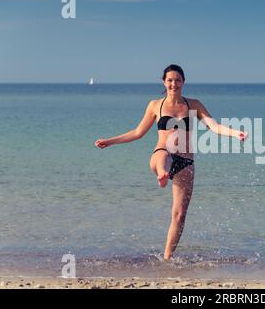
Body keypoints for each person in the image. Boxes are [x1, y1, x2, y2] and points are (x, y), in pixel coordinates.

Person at [94, 64, 247, 260]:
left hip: (186, 162)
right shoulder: (155, 105)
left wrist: (236, 133)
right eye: (170, 80)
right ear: (164, 82)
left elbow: (214, 126)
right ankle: (162, 174)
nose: (173, 83)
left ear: (183, 82)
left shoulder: (194, 105)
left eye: (177, 80)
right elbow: (138, 132)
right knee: (164, 157)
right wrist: (110, 142)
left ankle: (167, 257)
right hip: (162, 153)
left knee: (180, 214)